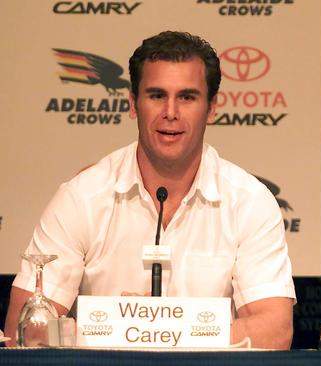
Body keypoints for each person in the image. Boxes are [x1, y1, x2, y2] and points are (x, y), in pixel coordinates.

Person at [4, 31, 295, 349]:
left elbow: (275, 331)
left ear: (212, 108)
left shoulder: (250, 201)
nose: (170, 112)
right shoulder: (82, 197)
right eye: (157, 95)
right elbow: (25, 331)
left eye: (187, 97)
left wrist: (164, 327)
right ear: (133, 103)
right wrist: (123, 326)